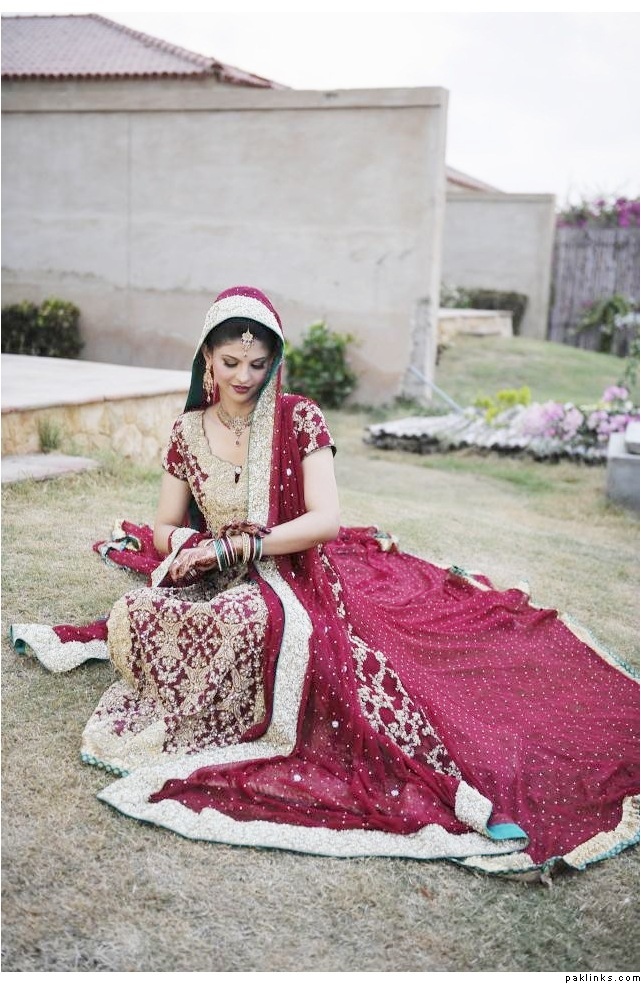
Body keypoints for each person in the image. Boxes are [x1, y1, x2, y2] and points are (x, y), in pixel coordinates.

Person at [11, 286, 639, 878]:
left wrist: (245, 544)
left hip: (288, 573)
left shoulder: (298, 418)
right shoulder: (187, 432)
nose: (243, 377)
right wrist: (192, 548)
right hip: (211, 574)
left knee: (254, 626)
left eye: (258, 364)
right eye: (230, 362)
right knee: (139, 613)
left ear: (274, 363)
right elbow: (162, 528)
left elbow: (325, 521)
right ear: (206, 358)